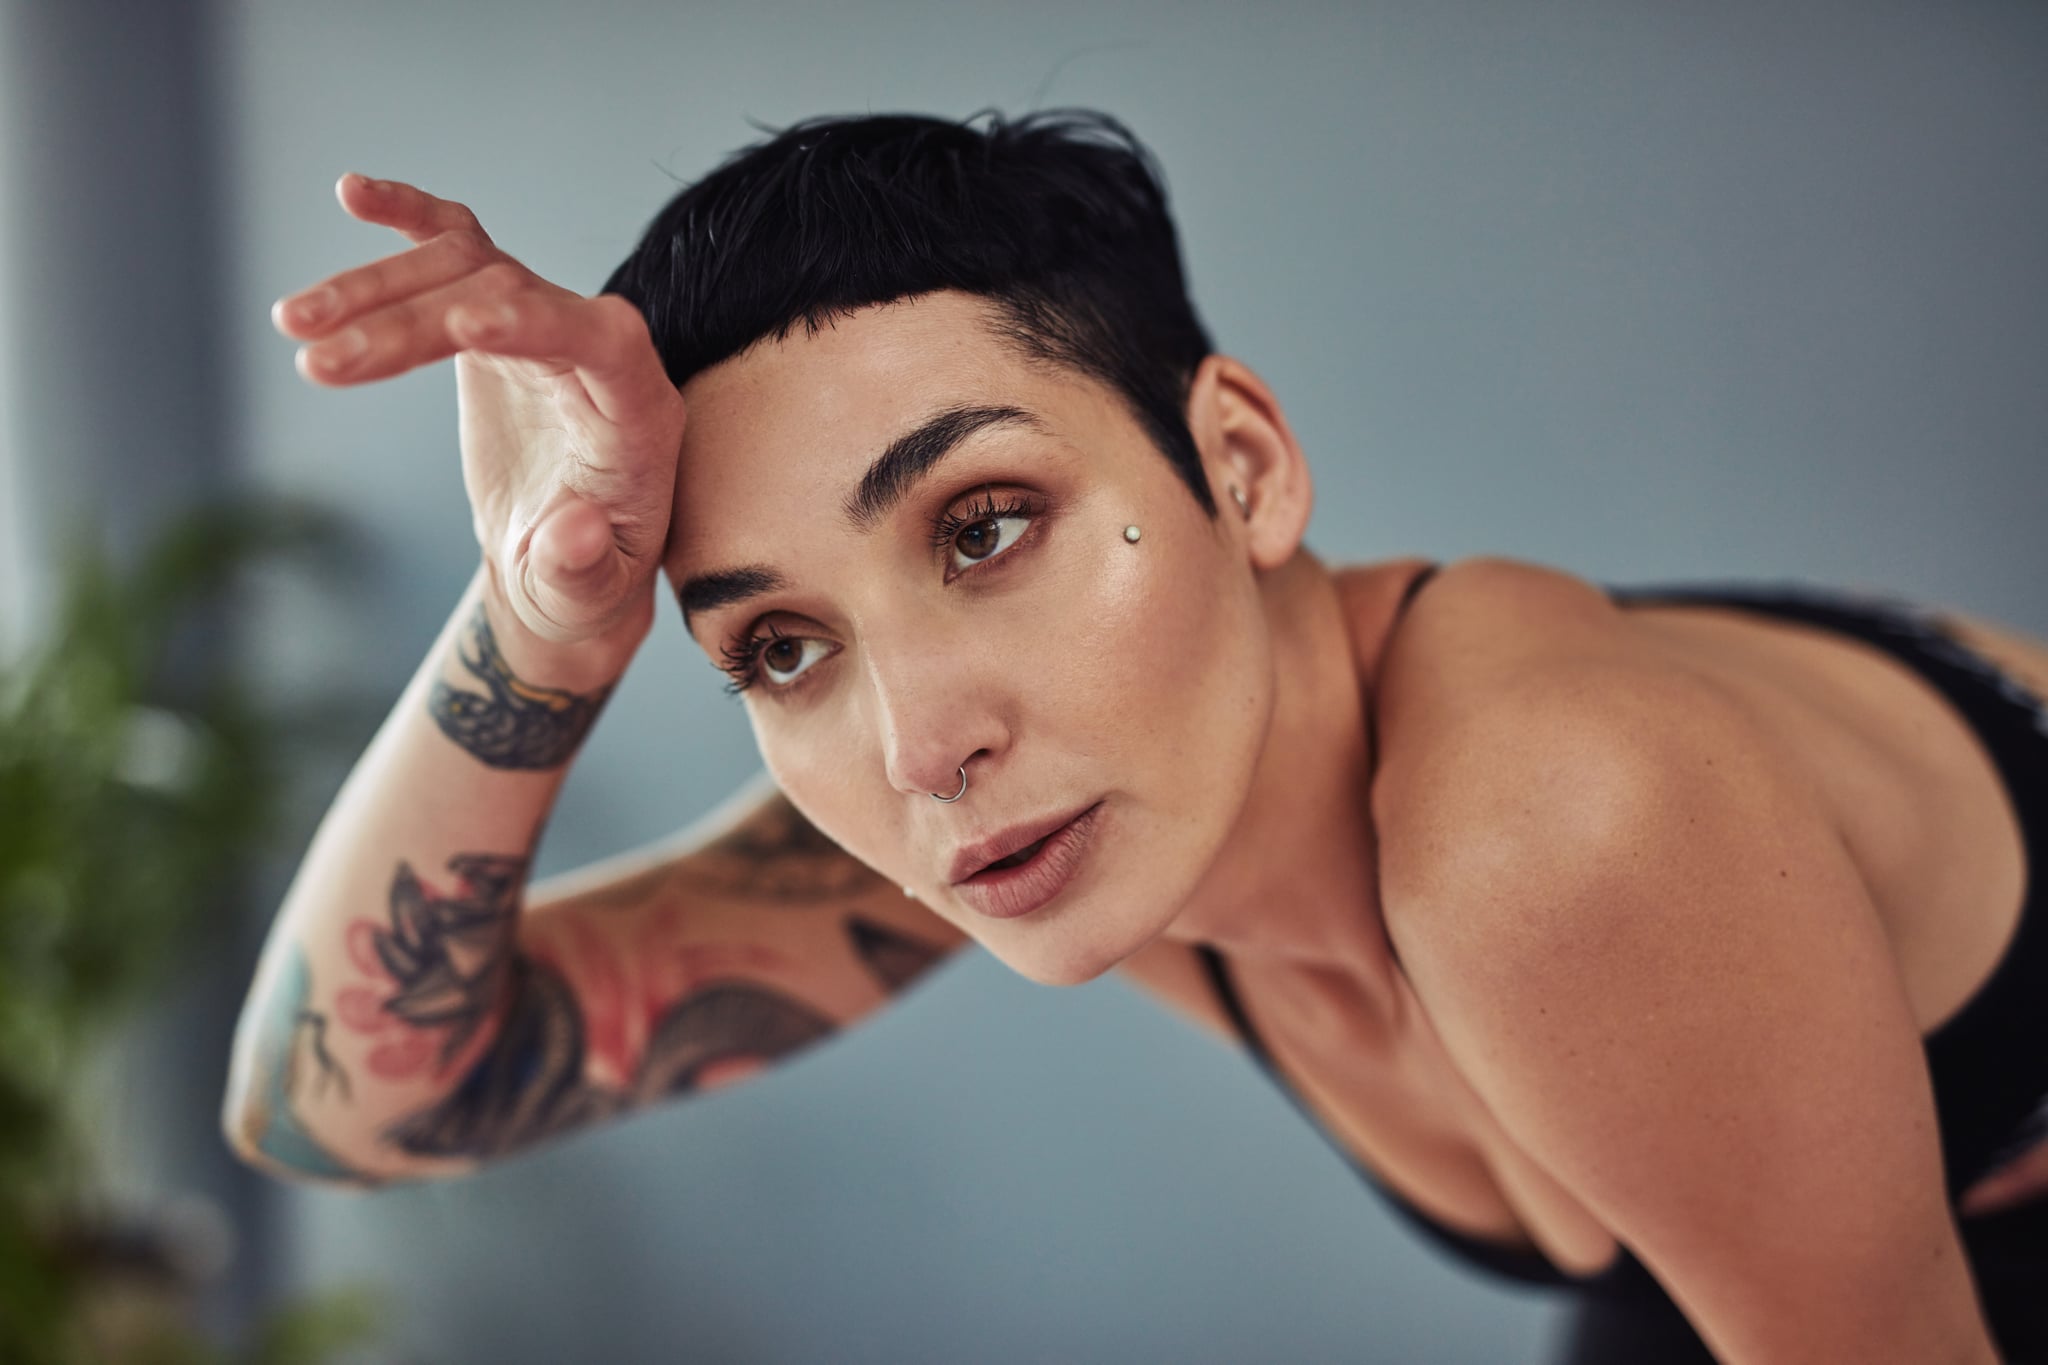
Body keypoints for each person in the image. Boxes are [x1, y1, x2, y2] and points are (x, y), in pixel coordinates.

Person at [222, 111, 2048, 1362]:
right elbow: (347, 1103)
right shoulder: (1030, 800)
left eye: (985, 525)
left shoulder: (1549, 820)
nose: (921, 739)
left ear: (1238, 464)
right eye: (780, 645)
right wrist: (542, 618)